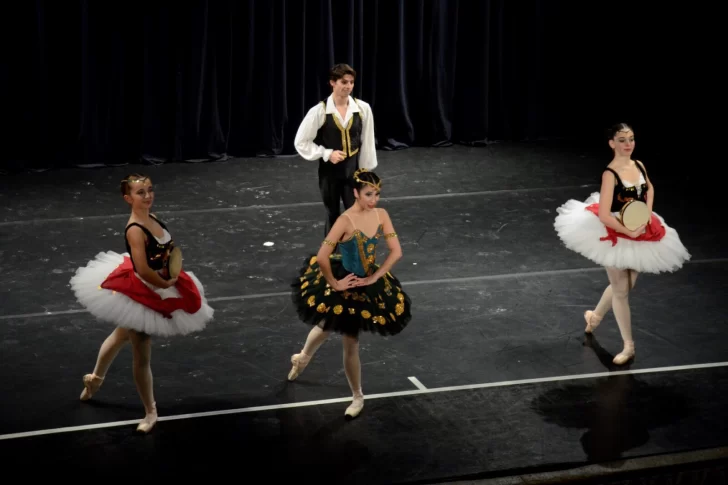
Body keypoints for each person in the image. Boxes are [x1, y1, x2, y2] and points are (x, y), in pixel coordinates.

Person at [69, 173, 214, 433]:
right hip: (145, 290)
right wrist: (165, 284)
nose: (147, 196)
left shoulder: (154, 218)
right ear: (128, 198)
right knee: (141, 353)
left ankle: (95, 380)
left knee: (120, 334)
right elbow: (143, 270)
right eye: (140, 193)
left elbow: (167, 249)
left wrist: (172, 270)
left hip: (162, 280)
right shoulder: (135, 229)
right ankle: (150, 411)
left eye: (149, 190)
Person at [554, 123, 690, 364]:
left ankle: (594, 317)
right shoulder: (610, 174)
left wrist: (647, 216)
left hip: (638, 227)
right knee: (620, 289)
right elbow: (605, 215)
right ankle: (629, 346)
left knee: (626, 287)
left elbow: (649, 189)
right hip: (615, 231)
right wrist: (629, 230)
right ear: (612, 143)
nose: (628, 144)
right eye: (622, 140)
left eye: (631, 139)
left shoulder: (638, 165)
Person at [288, 169, 411, 418]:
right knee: (335, 332)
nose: (373, 199)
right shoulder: (345, 220)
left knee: (332, 329)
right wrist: (335, 284)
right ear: (355, 193)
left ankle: (304, 358)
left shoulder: (381, 214)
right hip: (345, 280)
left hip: (366, 281)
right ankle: (355, 394)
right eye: (368, 194)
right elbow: (322, 257)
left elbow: (396, 251)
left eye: (376, 194)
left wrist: (376, 276)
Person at [294, 63, 378, 236]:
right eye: (343, 82)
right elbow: (301, 142)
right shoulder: (320, 111)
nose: (348, 86)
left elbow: (367, 141)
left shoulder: (362, 108)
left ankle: (355, 251)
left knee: (355, 211)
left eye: (351, 82)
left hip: (352, 171)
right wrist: (326, 153)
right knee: (332, 213)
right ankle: (331, 253)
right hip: (330, 173)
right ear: (333, 82)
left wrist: (365, 172)